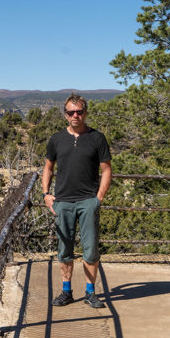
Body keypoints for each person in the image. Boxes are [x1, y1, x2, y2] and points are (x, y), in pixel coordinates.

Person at [41, 94, 112, 308]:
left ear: (85, 113)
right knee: (65, 249)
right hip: (63, 201)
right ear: (65, 115)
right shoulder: (56, 139)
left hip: (87, 202)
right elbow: (48, 167)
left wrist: (98, 198)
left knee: (90, 250)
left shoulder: (97, 138)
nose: (75, 115)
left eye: (79, 111)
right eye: (71, 112)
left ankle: (90, 293)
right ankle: (66, 291)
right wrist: (46, 194)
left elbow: (107, 169)